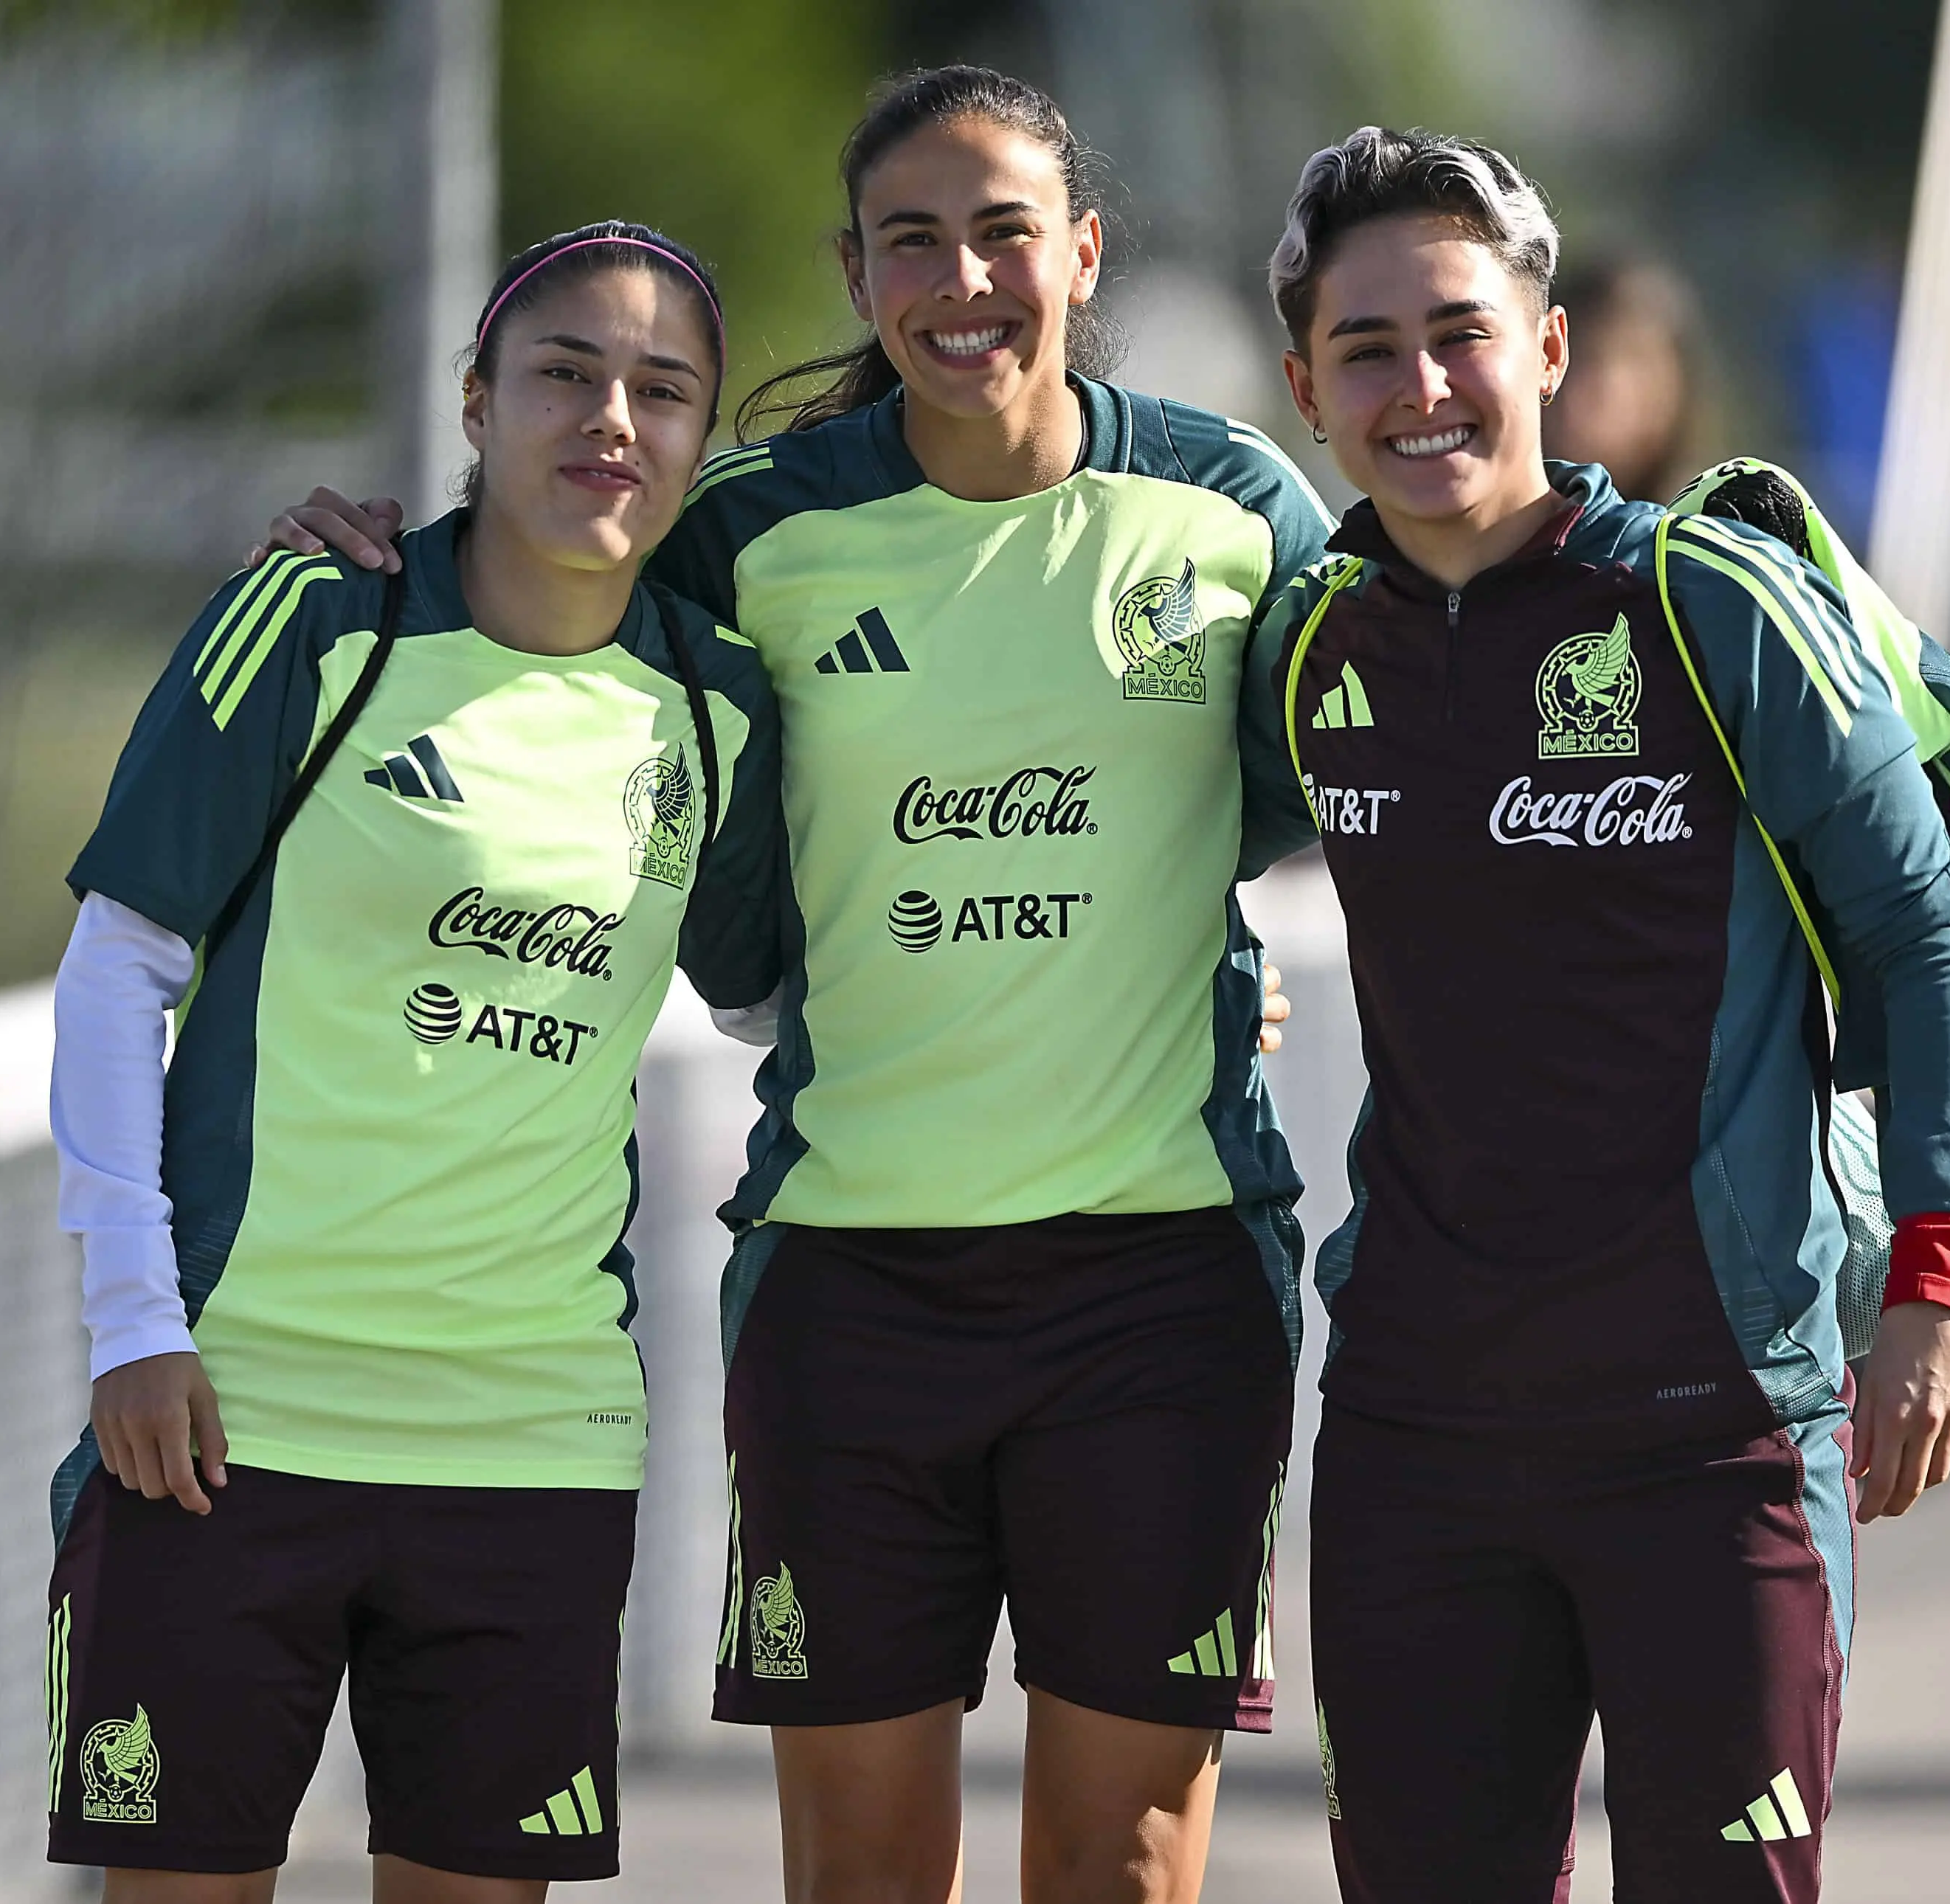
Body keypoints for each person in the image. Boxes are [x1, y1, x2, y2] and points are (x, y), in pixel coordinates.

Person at [263, 65, 1324, 1904]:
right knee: (859, 1871)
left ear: (1082, 252)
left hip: (1162, 1289)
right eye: (912, 239)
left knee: (1128, 1861)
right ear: (855, 271)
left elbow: (1428, 717)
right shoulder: (752, 528)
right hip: (855, 1292)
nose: (962, 276)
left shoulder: (1233, 504)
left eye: (1005, 230)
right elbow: (544, 551)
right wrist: (367, 562)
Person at [1245, 128, 1950, 1903]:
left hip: (1717, 1425)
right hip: (1415, 1431)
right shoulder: (1310, 642)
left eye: (1458, 331)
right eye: (1365, 349)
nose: (1420, 385)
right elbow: (1140, 876)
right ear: (1305, 387)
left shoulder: (1710, 601)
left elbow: (1926, 937)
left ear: (1545, 346)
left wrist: (1937, 1281)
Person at [43, 221, 781, 1903]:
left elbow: (779, 995)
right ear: (475, 399)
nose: (613, 415)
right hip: (228, 1419)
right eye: (566, 372)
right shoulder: (320, 619)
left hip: (532, 1444)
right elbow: (117, 972)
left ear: (695, 439)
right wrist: (134, 1321)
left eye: (662, 389)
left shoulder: (713, 703)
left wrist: (1192, 977)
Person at [1539, 249, 1702, 505]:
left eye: (1630, 359)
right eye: (1578, 358)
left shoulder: (1712, 528)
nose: (1582, 393)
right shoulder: (1496, 531)